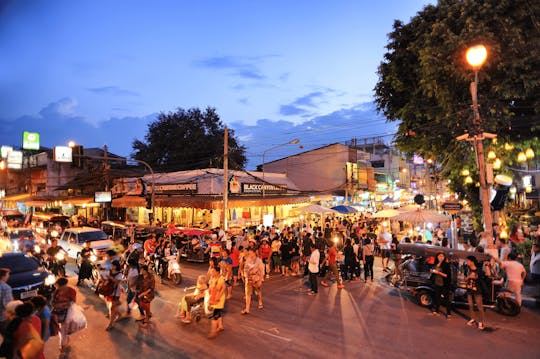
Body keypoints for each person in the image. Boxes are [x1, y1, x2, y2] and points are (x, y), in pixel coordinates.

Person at [51, 277, 77, 351]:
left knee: (63, 329)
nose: (57, 287)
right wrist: (57, 305)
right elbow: (52, 302)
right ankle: (65, 342)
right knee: (61, 329)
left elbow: (73, 302)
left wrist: (62, 305)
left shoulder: (71, 291)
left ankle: (62, 345)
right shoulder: (56, 291)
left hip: (67, 312)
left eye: (58, 286)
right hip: (57, 312)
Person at [464, 256, 486, 330]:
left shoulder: (479, 270)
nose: (467, 262)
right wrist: (466, 278)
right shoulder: (467, 269)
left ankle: (481, 322)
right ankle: (472, 318)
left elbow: (478, 278)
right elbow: (465, 278)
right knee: (470, 305)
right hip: (469, 290)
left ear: (472, 261)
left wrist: (473, 277)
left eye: (468, 261)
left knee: (479, 307)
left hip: (477, 290)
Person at [241, 247, 265, 314]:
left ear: (254, 253)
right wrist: (245, 275)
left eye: (251, 253)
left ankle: (260, 301)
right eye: (249, 253)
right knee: (248, 294)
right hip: (249, 279)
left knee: (258, 290)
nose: (250, 254)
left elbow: (262, 270)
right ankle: (247, 309)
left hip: (256, 279)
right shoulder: (248, 260)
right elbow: (245, 268)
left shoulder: (259, 261)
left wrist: (261, 278)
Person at [430, 252, 452, 318]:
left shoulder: (446, 265)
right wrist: (432, 271)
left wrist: (438, 272)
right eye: (439, 256)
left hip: (444, 284)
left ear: (444, 257)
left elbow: (447, 275)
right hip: (437, 283)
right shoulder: (436, 264)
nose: (441, 257)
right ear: (437, 257)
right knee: (437, 298)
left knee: (447, 299)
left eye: (442, 256)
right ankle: (436, 311)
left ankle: (448, 313)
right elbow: (433, 272)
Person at [207, 265, 226, 339]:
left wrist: (219, 296)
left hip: (219, 299)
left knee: (215, 315)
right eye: (211, 271)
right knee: (218, 313)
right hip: (213, 297)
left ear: (217, 272)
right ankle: (220, 326)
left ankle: (213, 332)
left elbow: (224, 288)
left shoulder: (220, 279)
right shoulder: (212, 278)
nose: (211, 272)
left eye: (213, 271)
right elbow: (210, 286)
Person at [105, 260, 124, 331]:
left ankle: (111, 324)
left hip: (115, 292)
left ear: (116, 266)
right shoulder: (110, 271)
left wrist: (110, 278)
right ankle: (119, 315)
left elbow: (118, 282)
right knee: (113, 306)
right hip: (109, 290)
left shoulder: (119, 274)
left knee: (112, 308)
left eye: (112, 265)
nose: (111, 266)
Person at [0, 268, 13, 335]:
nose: (8, 276)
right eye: (7, 275)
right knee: (8, 336)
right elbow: (8, 305)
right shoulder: (6, 288)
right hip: (3, 317)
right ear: (3, 276)